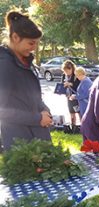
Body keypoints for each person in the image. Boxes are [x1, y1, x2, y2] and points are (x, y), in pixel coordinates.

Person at [0, 10, 52, 150]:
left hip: (37, 139)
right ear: (15, 37)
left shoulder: (24, 61)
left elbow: (31, 97)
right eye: (31, 43)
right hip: (21, 146)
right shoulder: (4, 65)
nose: (34, 48)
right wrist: (37, 118)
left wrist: (45, 110)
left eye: (36, 44)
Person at [61, 60, 80, 131]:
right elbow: (61, 84)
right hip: (68, 96)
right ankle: (73, 127)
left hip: (75, 97)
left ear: (71, 69)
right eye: (65, 71)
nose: (66, 72)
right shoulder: (64, 76)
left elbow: (78, 85)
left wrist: (70, 84)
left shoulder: (75, 75)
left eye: (68, 70)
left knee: (78, 112)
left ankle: (82, 127)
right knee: (71, 112)